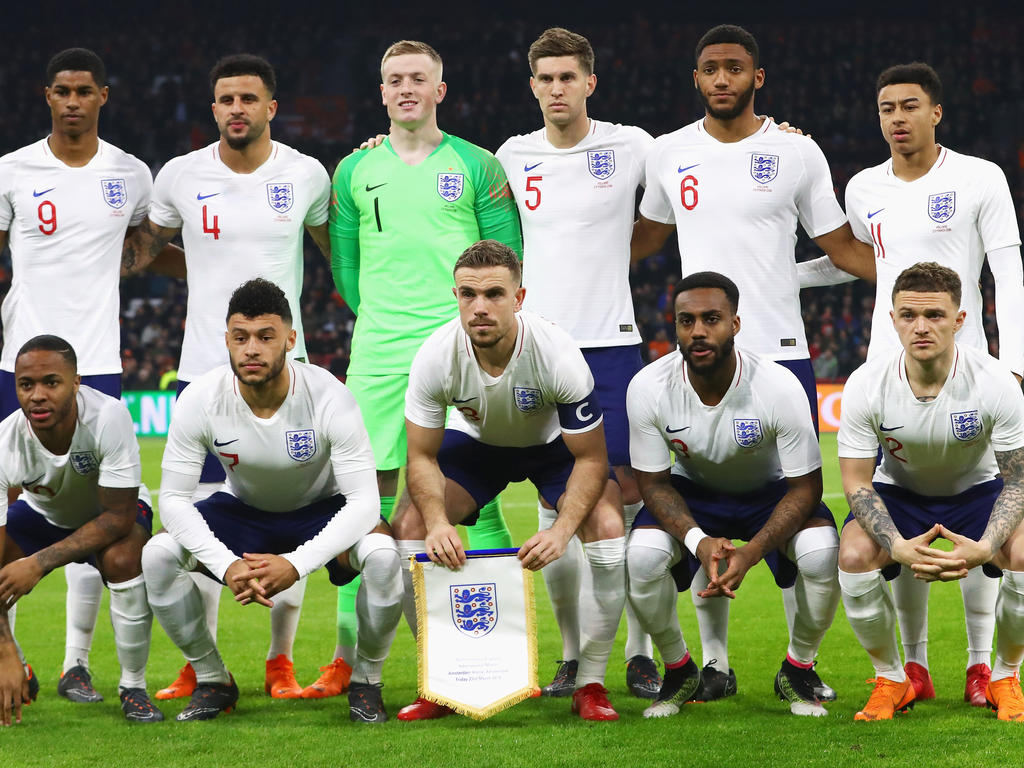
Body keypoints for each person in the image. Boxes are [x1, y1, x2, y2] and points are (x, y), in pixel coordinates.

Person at [629, 23, 872, 699]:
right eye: (711, 68)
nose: (723, 78)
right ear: (697, 79)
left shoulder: (796, 153)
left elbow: (843, 246)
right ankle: (715, 664)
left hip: (781, 353)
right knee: (706, 510)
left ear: (756, 77)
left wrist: (922, 271)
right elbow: (641, 238)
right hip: (700, 352)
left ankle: (801, 666)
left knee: (795, 519)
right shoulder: (669, 153)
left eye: (736, 67)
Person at [799, 62, 1024, 706]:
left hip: (973, 366)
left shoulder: (980, 178)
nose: (896, 118)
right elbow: (856, 264)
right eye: (885, 109)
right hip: (889, 366)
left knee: (978, 502)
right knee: (902, 504)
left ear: (936, 113)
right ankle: (915, 669)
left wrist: (1015, 364)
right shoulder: (865, 186)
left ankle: (982, 666)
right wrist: (770, 274)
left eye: (909, 106)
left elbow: (1007, 272)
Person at [121, 53, 332, 701]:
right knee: (192, 524)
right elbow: (142, 253)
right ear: (213, 109)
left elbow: (339, 253)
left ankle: (280, 661)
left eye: (248, 98)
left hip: (285, 378)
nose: (236, 109)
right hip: (202, 375)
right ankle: (199, 661)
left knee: (289, 517)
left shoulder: (307, 175)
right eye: (225, 100)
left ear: (272, 106)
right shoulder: (181, 176)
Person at [322, 39, 523, 698]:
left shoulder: (478, 165)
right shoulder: (352, 172)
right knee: (366, 501)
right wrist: (384, 319)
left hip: (458, 350)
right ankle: (350, 657)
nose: (405, 88)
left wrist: (460, 331)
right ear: (380, 92)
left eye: (418, 78)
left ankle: (486, 653)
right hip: (378, 352)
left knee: (472, 488)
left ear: (440, 89)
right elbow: (347, 272)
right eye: (393, 80)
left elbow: (508, 262)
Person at [141, 278, 402, 723]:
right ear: (226, 340)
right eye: (240, 338)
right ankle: (213, 679)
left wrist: (296, 564)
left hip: (323, 510)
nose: (252, 349)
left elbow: (363, 502)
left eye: (266, 337)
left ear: (291, 339)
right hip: (242, 511)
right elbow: (175, 501)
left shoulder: (329, 396)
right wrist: (226, 564)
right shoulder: (200, 399)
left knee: (382, 555)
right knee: (158, 555)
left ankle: (367, 682)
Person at [392, 240, 625, 721]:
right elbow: (420, 456)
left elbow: (592, 459)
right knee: (411, 526)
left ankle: (591, 682)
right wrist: (438, 523)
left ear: (518, 298)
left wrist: (561, 532)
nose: (479, 307)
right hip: (479, 448)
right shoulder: (436, 355)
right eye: (467, 295)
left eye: (494, 294)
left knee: (605, 524)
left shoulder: (557, 353)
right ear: (455, 295)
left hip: (552, 449)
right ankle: (441, 682)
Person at [494, 26, 659, 700]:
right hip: (539, 348)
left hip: (615, 344)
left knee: (630, 493)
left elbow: (668, 211)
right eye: (546, 78)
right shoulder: (512, 154)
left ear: (591, 81)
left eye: (569, 77)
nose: (557, 88)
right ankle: (571, 656)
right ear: (532, 85)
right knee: (553, 497)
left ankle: (642, 652)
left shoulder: (633, 145)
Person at [0, 47, 156, 705]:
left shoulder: (130, 172)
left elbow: (153, 239)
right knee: (9, 511)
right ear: (47, 96)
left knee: (99, 517)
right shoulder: (11, 170)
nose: (72, 100)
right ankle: (10, 657)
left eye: (84, 90)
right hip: (18, 363)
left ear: (103, 96)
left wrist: (135, 264)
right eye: (61, 89)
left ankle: (75, 666)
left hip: (94, 362)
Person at [626, 271, 840, 718]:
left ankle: (798, 669)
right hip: (692, 493)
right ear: (675, 326)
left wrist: (754, 551)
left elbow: (807, 487)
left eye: (712, 319)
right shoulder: (648, 387)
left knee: (822, 555)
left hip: (771, 492)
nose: (698, 331)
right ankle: (680, 668)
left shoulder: (778, 386)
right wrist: (698, 542)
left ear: (736, 324)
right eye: (686, 321)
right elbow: (653, 484)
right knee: (641, 559)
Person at [837, 262, 1024, 722]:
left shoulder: (997, 382)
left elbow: (1017, 480)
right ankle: (892, 679)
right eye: (908, 315)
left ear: (960, 320)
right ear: (893, 318)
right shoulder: (866, 384)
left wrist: (987, 545)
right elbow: (858, 482)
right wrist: (896, 545)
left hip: (978, 492)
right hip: (899, 493)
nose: (920, 327)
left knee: (1023, 555)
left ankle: (1005, 675)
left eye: (935, 315)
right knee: (854, 556)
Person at [0, 335, 161, 725]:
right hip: (43, 513)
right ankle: (19, 669)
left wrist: (38, 563)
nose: (37, 395)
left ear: (76, 382)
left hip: (110, 512)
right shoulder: (5, 441)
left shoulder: (108, 416)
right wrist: (4, 652)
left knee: (123, 559)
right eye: (26, 385)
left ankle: (133, 688)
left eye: (51, 382)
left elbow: (119, 517)